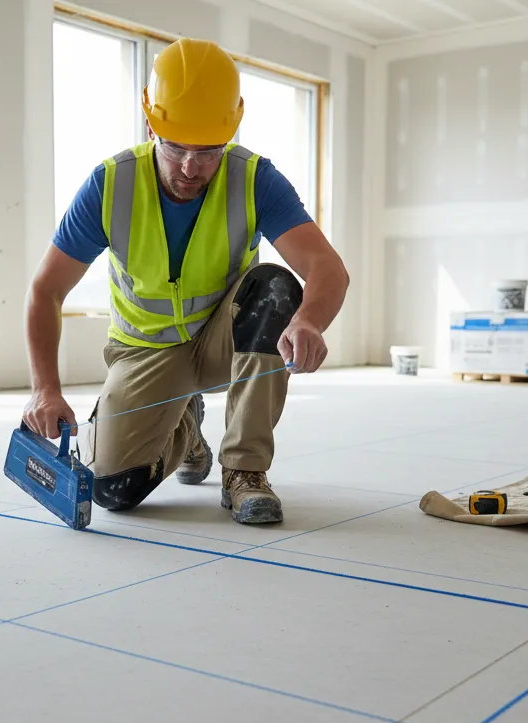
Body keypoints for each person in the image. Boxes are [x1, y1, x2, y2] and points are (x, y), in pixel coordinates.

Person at [21, 38, 349, 525]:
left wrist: (310, 324)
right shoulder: (110, 186)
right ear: (150, 123)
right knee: (113, 489)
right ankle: (186, 429)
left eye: (209, 150)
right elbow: (46, 291)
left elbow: (328, 269)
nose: (191, 167)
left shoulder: (255, 179)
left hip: (224, 341)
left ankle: (244, 471)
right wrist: (45, 389)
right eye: (175, 148)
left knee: (277, 287)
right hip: (145, 352)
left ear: (232, 130)